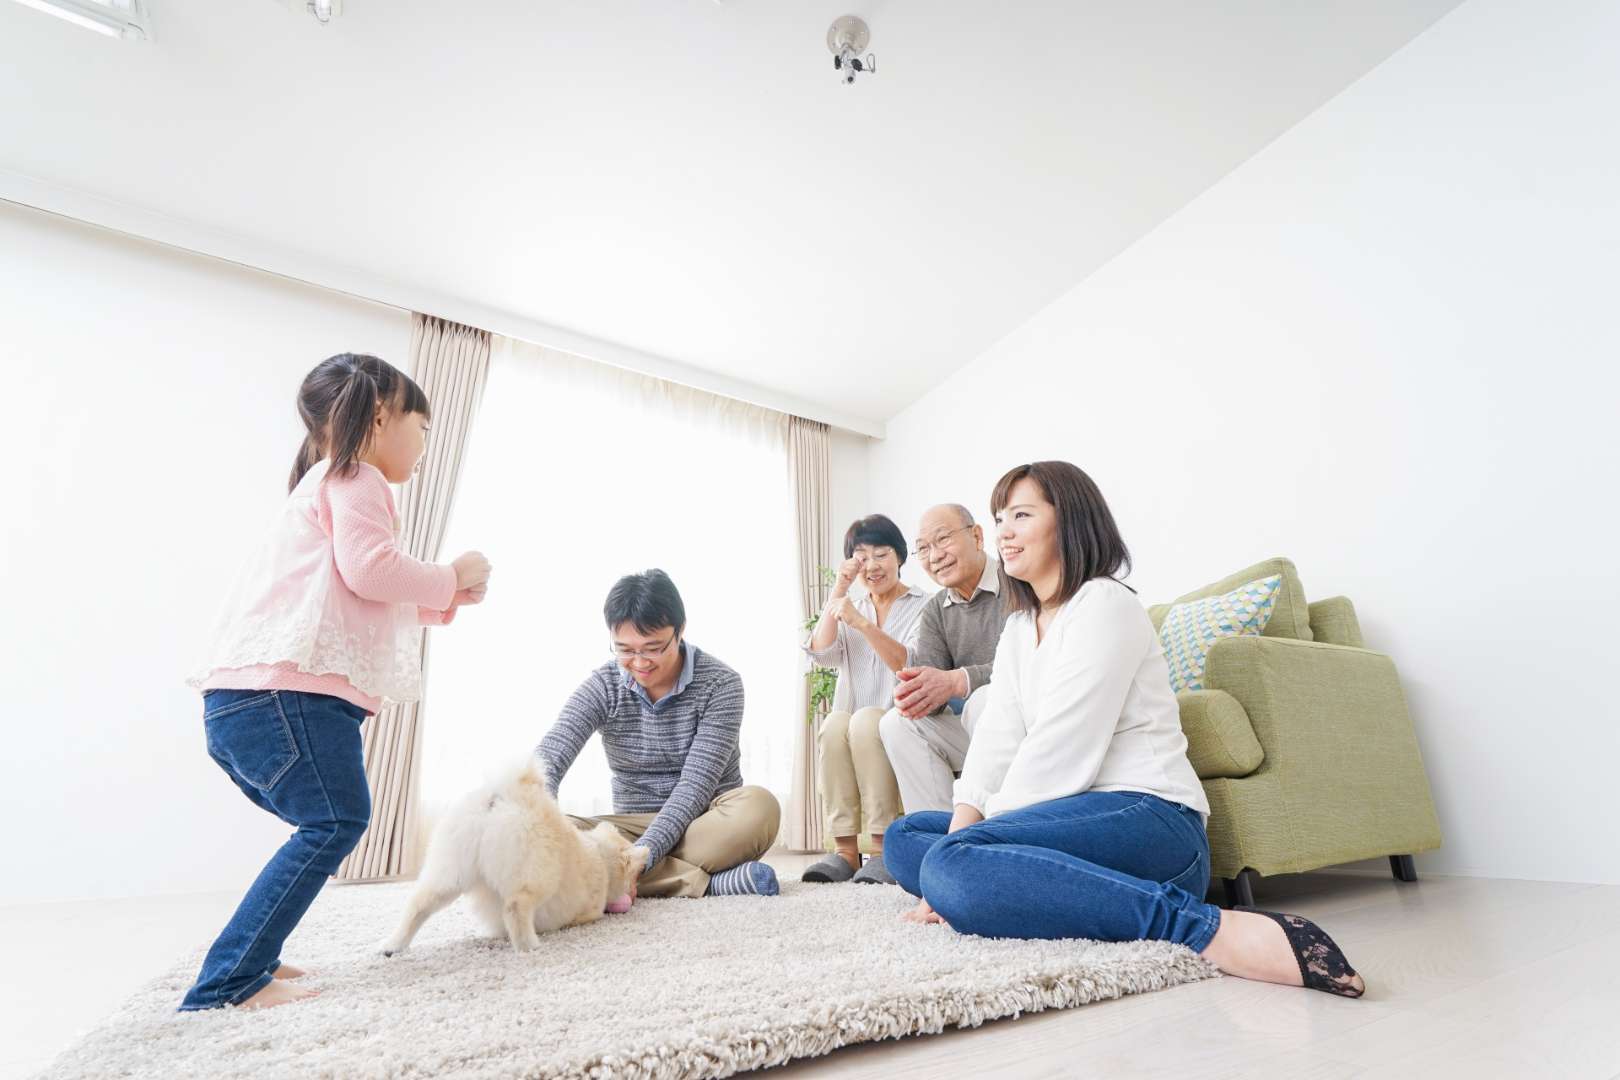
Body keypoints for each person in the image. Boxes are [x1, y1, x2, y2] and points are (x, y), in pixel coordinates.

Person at [885, 461, 1365, 999]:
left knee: (950, 864)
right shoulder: (1019, 627)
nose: (1004, 533)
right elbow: (996, 741)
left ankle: (1200, 928)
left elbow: (1060, 750)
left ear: (1069, 521)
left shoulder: (1105, 604)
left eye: (1021, 515)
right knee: (907, 838)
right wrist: (965, 833)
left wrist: (968, 849)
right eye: (1000, 519)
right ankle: (1026, 880)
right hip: (1068, 819)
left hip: (1151, 820)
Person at [183, 353, 492, 1010]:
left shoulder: (323, 482)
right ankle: (228, 982)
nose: (425, 447)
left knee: (326, 823)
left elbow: (352, 592)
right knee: (335, 821)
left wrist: (443, 599)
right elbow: (371, 570)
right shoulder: (357, 477)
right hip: (286, 699)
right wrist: (449, 574)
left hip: (250, 702)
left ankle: (249, 954)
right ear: (380, 417)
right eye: (423, 428)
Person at [538, 569, 782, 899]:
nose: (639, 662)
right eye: (625, 650)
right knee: (547, 833)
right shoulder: (604, 685)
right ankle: (709, 884)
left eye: (652, 648)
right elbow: (550, 758)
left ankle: (621, 874)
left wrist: (643, 856)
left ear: (680, 631)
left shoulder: (721, 684)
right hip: (630, 826)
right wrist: (538, 816)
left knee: (759, 808)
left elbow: (695, 786)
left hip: (703, 822)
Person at [801, 514, 928, 884]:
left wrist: (860, 623)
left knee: (867, 721)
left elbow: (908, 662)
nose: (872, 565)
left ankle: (883, 851)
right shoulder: (849, 603)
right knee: (835, 723)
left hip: (899, 718)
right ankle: (845, 851)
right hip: (853, 720)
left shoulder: (925, 605)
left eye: (881, 554)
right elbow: (821, 653)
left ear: (899, 556)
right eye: (862, 557)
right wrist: (839, 589)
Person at [879, 503, 1009, 813]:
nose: (935, 556)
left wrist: (958, 680)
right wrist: (917, 692)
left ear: (977, 536)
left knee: (984, 701)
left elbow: (1027, 664)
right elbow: (933, 697)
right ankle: (937, 835)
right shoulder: (936, 609)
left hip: (1023, 727)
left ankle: (998, 828)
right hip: (975, 735)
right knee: (896, 723)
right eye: (923, 548)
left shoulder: (1017, 582)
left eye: (943, 539)